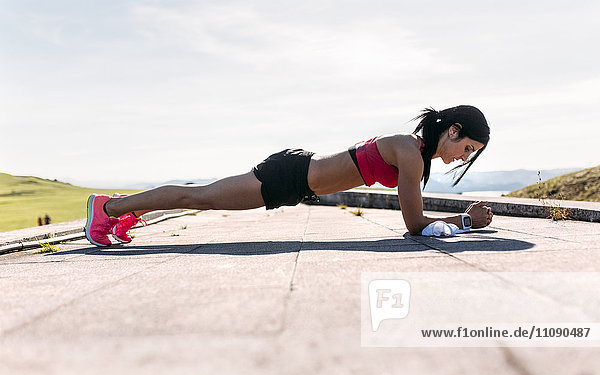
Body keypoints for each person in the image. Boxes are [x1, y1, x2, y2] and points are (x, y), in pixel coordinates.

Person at [84, 105, 494, 247]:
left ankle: (120, 208)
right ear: (453, 131)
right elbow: (416, 225)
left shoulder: (413, 153)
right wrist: (467, 223)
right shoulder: (410, 152)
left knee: (202, 196)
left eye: (469, 156)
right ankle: (110, 206)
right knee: (201, 197)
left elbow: (416, 222)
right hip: (290, 176)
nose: (462, 158)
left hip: (298, 178)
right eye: (467, 149)